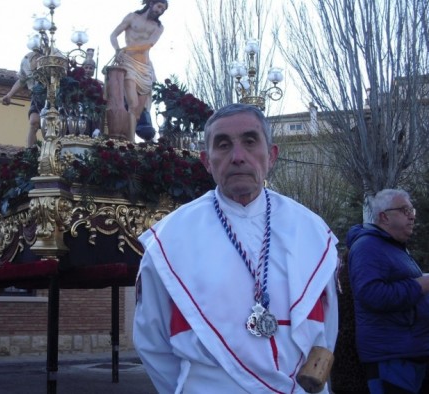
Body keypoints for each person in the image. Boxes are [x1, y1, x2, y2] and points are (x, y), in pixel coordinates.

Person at [133, 103, 339, 393]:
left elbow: (327, 331)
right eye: (223, 145)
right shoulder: (169, 240)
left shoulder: (313, 232)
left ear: (272, 155)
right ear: (206, 160)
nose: (238, 157)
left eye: (250, 141)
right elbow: (152, 344)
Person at [347, 189, 429, 393]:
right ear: (384, 216)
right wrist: (422, 284)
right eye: (405, 210)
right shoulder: (367, 247)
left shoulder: (393, 247)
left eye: (412, 210)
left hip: (409, 352)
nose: (411, 215)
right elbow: (371, 294)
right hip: (390, 357)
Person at [110, 0, 168, 141]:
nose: (160, 10)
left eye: (163, 9)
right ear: (151, 3)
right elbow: (113, 35)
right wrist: (117, 50)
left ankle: (130, 142)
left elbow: (148, 44)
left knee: (137, 111)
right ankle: (130, 141)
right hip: (128, 64)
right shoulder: (132, 17)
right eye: (159, 6)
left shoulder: (158, 27)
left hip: (145, 68)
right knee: (132, 104)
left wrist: (125, 49)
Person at [1, 48, 46, 147]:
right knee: (34, 122)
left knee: (51, 126)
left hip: (52, 94)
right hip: (37, 95)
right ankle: (30, 153)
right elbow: (22, 80)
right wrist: (9, 95)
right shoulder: (27, 59)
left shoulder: (53, 54)